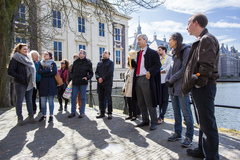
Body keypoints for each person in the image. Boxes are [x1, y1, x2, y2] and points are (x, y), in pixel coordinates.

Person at [182, 13, 220, 159]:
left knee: (208, 124)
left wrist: (197, 84)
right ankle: (202, 150)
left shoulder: (207, 39)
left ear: (196, 23)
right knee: (203, 122)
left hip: (204, 88)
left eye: (188, 23)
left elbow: (206, 67)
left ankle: (211, 157)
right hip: (201, 87)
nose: (187, 28)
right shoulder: (201, 40)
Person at [165, 32, 194, 147]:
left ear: (176, 40)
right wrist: (168, 78)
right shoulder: (173, 53)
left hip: (182, 87)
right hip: (172, 88)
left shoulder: (186, 51)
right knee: (176, 112)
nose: (168, 42)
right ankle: (177, 133)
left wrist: (171, 79)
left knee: (186, 113)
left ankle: (189, 136)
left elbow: (184, 69)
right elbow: (171, 69)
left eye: (170, 39)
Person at [132, 34, 161, 131]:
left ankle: (154, 122)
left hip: (146, 79)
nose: (138, 42)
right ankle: (145, 120)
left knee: (150, 102)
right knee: (140, 102)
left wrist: (150, 72)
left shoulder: (152, 52)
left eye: (139, 40)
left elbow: (158, 65)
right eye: (137, 40)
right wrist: (132, 63)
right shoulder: (138, 53)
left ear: (145, 40)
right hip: (137, 79)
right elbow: (139, 66)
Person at [8, 43, 36, 126]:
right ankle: (19, 118)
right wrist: (20, 77)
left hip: (29, 82)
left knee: (29, 100)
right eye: (24, 49)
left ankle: (31, 116)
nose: (26, 50)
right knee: (19, 100)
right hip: (20, 83)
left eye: (27, 49)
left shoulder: (29, 58)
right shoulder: (15, 58)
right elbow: (10, 71)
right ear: (19, 49)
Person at [68, 49, 93, 118]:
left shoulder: (88, 62)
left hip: (83, 83)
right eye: (79, 52)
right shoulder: (75, 62)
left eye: (81, 53)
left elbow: (91, 73)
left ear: (84, 55)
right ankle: (73, 112)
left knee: (83, 98)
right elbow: (71, 71)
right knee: (73, 97)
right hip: (75, 82)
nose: (79, 53)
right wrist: (72, 77)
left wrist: (87, 78)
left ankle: (82, 112)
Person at [37, 51, 58, 123]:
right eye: (44, 54)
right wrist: (48, 70)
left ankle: (51, 115)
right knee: (43, 102)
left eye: (46, 54)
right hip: (43, 85)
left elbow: (54, 72)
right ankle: (44, 115)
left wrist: (44, 73)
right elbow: (39, 72)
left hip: (51, 85)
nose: (44, 55)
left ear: (50, 56)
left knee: (51, 102)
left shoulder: (53, 63)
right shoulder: (41, 63)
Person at [95, 50, 114, 119]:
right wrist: (98, 78)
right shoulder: (99, 63)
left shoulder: (111, 63)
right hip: (100, 84)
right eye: (103, 52)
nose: (104, 53)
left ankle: (109, 113)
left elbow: (110, 72)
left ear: (109, 55)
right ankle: (102, 113)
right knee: (101, 98)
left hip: (107, 83)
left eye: (106, 53)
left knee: (109, 98)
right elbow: (96, 72)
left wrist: (102, 78)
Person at [157, 45, 172, 124]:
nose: (158, 51)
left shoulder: (169, 58)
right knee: (160, 99)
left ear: (164, 50)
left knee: (165, 99)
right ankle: (160, 115)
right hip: (159, 82)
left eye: (159, 50)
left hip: (166, 81)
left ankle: (161, 116)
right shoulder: (158, 59)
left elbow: (169, 68)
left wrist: (163, 70)